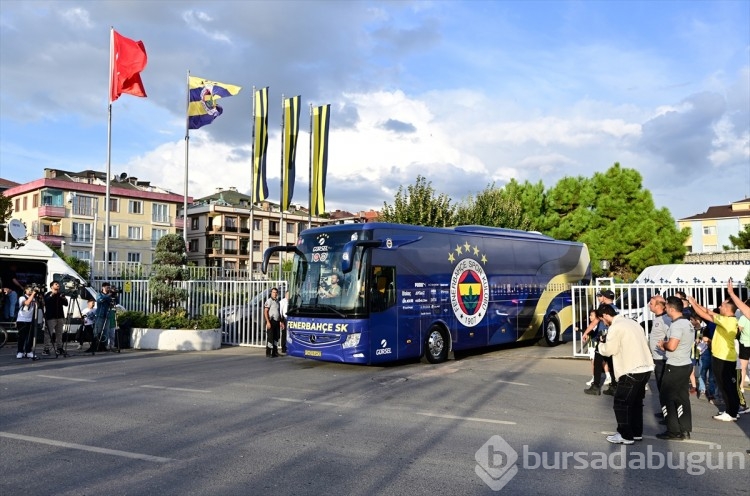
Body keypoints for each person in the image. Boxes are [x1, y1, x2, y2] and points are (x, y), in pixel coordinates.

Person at [597, 304, 654, 444]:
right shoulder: (632, 323)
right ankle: (636, 433)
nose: (603, 323)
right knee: (636, 402)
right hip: (645, 367)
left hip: (630, 369)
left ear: (605, 315)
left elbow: (609, 350)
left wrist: (600, 345)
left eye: (602, 320)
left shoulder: (615, 327)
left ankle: (625, 435)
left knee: (621, 403)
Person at [687, 293, 740, 421]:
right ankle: (733, 410)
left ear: (727, 309)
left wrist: (693, 304)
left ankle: (731, 412)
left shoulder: (726, 320)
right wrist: (696, 303)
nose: (719, 307)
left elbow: (706, 315)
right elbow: (708, 311)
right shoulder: (728, 319)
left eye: (722, 305)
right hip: (724, 357)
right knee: (728, 386)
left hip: (723, 358)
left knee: (725, 386)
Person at [655, 296, 693, 440]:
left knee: (666, 397)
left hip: (675, 365)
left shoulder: (677, 325)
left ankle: (673, 430)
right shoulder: (687, 323)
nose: (665, 311)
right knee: (682, 398)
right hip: (685, 364)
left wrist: (663, 344)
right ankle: (685, 430)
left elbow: (671, 346)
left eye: (666, 308)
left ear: (671, 309)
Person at [582, 289, 617, 395]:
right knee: (612, 362)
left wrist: (585, 333)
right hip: (613, 338)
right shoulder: (616, 308)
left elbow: (594, 323)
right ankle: (614, 386)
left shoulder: (603, 309)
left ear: (605, 298)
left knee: (597, 361)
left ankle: (596, 386)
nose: (599, 298)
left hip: (603, 338)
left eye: (601, 296)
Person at [648, 295, 671, 393]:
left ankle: (667, 407)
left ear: (658, 306)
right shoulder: (657, 318)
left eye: (651, 303)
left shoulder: (665, 319)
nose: (649, 305)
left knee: (664, 388)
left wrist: (664, 347)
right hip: (657, 358)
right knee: (660, 387)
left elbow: (671, 337)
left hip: (663, 359)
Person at [692, 312, 716, 403]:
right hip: (706, 352)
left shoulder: (717, 327)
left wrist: (708, 340)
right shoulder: (707, 327)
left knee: (711, 375)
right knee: (703, 372)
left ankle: (711, 392)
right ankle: (703, 390)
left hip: (714, 353)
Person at [43, 281, 68, 355]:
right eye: (56, 284)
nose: (58, 286)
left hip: (60, 317)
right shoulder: (48, 295)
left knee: (59, 333)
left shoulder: (60, 295)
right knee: (48, 333)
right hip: (51, 317)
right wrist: (52, 294)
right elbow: (45, 301)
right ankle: (46, 349)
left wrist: (64, 298)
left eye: (58, 285)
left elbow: (66, 304)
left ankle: (59, 348)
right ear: (51, 287)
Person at [88, 282, 115, 352]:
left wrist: (114, 295)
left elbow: (114, 303)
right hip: (100, 315)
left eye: (109, 287)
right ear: (103, 287)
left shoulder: (110, 295)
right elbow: (100, 300)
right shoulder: (99, 294)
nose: (108, 288)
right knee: (97, 331)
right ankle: (95, 345)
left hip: (107, 315)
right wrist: (108, 295)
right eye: (107, 287)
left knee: (106, 332)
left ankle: (103, 346)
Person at [15, 286, 38, 359]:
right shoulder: (22, 297)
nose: (31, 290)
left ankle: (28, 351)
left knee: (30, 337)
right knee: (22, 336)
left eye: (32, 289)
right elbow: (27, 303)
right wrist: (33, 294)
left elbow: (40, 306)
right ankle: (20, 351)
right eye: (29, 289)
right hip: (22, 319)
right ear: (25, 290)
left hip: (30, 320)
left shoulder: (34, 297)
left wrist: (39, 297)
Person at [264, 287, 281, 357]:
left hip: (277, 321)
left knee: (276, 337)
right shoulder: (269, 301)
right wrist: (268, 322)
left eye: (276, 293)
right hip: (271, 321)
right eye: (274, 292)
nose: (275, 294)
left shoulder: (277, 301)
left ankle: (275, 351)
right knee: (270, 337)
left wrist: (280, 321)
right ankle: (269, 352)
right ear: (271, 293)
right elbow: (265, 311)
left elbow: (278, 312)